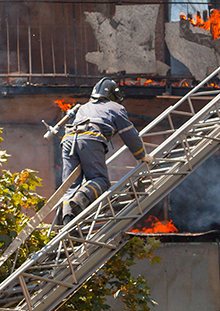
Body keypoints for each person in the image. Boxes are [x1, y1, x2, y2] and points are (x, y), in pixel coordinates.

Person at [60, 78, 152, 223]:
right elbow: (130, 134)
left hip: (68, 140)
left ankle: (67, 221)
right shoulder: (116, 108)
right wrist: (142, 155)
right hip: (89, 139)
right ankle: (78, 202)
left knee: (70, 186)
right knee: (100, 180)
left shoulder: (84, 107)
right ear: (114, 96)